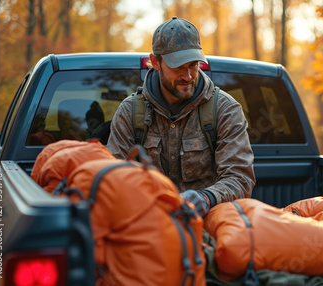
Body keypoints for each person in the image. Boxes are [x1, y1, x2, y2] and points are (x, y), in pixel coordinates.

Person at [107, 16, 255, 217]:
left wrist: (206, 197)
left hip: (209, 227)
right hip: (147, 226)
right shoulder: (130, 112)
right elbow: (112, 178)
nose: (188, 76)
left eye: (193, 65)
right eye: (178, 67)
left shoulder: (224, 109)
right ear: (155, 62)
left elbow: (240, 178)